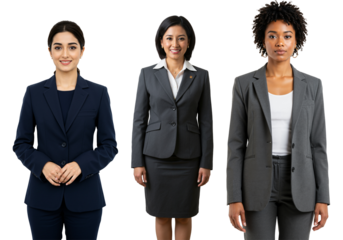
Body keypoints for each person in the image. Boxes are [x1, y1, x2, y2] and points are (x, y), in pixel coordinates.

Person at [225, 1, 331, 239]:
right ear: (263, 40)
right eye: (272, 35)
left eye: (287, 36)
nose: (280, 42)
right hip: (256, 181)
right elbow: (235, 145)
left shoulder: (314, 85)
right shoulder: (243, 84)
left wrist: (324, 197)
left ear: (296, 41)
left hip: (301, 181)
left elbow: (319, 145)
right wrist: (233, 197)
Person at [11, 20, 119, 240]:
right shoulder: (33, 92)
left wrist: (81, 165)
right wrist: (43, 165)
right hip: (41, 198)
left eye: (72, 46)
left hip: (86, 198)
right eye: (58, 47)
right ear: (49, 52)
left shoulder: (99, 93)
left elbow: (109, 146)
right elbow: (21, 144)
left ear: (83, 51)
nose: (65, 53)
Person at [130, 15, 215, 240]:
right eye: (169, 38)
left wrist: (207, 163)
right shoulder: (146, 74)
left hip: (189, 159)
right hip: (155, 158)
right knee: (161, 216)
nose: (174, 44)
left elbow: (207, 123)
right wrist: (136, 162)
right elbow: (138, 121)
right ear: (160, 41)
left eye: (181, 38)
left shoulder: (202, 75)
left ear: (189, 42)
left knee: (186, 216)